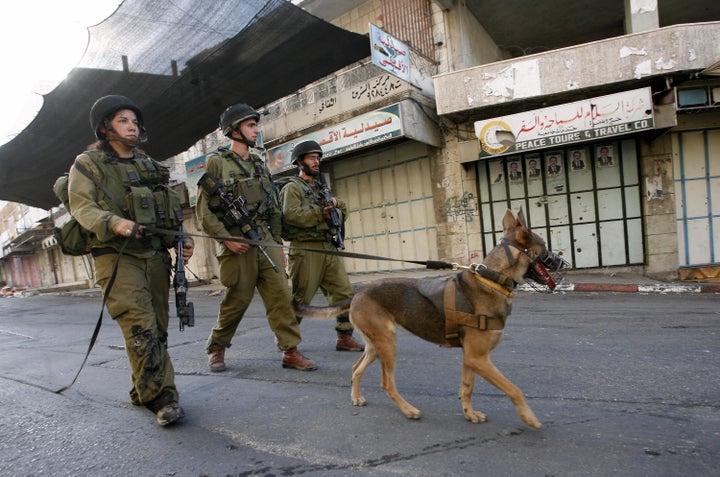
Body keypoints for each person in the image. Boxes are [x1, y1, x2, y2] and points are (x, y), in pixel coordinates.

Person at [68, 95, 193, 426]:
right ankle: (162, 398)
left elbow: (169, 207)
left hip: (154, 255)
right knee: (141, 327)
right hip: (117, 258)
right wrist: (114, 223)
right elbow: (82, 207)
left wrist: (183, 239)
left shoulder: (147, 163)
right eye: (124, 121)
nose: (132, 127)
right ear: (106, 126)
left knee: (160, 329)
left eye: (135, 122)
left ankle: (144, 388)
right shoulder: (88, 164)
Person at [196, 103, 317, 372]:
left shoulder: (259, 164)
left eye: (255, 125)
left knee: (281, 295)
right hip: (236, 239)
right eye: (250, 125)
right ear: (233, 130)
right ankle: (217, 347)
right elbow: (204, 210)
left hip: (264, 237)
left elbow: (272, 206)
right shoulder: (218, 162)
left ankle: (290, 350)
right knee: (236, 299)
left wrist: (277, 242)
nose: (256, 130)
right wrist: (226, 238)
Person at [280, 140, 364, 352]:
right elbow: (291, 215)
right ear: (299, 162)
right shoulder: (292, 188)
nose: (316, 162)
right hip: (306, 249)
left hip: (329, 247)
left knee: (345, 295)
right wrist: (321, 213)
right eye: (311, 158)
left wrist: (335, 205)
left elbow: (341, 212)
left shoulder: (321, 188)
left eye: (318, 158)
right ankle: (287, 343)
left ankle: (344, 336)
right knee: (301, 299)